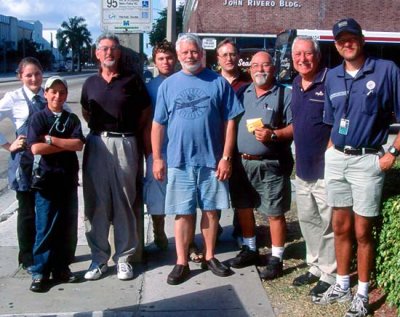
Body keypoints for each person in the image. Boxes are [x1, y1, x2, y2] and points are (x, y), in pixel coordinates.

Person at [316, 18, 400, 317]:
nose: (346, 44)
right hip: (338, 157)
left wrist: (392, 152)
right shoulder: (333, 77)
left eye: (351, 38)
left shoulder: (387, 70)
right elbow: (332, 120)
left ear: (362, 40)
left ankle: (362, 293)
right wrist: (330, 151)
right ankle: (341, 284)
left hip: (368, 160)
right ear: (336, 45)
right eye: (341, 40)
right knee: (339, 226)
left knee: (363, 231)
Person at [152, 33, 244, 285]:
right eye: (185, 52)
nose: (190, 56)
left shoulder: (218, 83)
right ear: (179, 56)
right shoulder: (168, 85)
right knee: (182, 214)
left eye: (194, 51)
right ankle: (181, 261)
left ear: (202, 53)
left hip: (211, 161)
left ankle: (210, 256)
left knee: (211, 211)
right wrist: (158, 157)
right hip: (179, 161)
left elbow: (230, 123)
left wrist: (226, 157)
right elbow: (158, 125)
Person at [81, 33, 151, 281]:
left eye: (113, 48)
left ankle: (123, 258)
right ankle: (99, 259)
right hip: (97, 143)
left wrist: (125, 133)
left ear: (119, 53)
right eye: (104, 49)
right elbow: (87, 112)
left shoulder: (133, 81)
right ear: (97, 53)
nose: (109, 53)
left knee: (124, 202)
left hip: (126, 144)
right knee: (96, 204)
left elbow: (145, 115)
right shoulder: (90, 82)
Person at [228, 51, 294, 280]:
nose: (260, 70)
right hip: (242, 163)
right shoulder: (242, 93)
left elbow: (294, 127)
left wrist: (274, 135)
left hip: (270, 165)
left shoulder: (284, 94)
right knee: (244, 208)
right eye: (255, 65)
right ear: (249, 69)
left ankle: (276, 258)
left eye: (265, 65)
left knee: (274, 212)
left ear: (273, 68)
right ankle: (250, 249)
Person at [27, 76, 85, 292]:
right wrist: (65, 144)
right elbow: (35, 148)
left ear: (66, 95)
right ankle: (40, 271)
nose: (57, 96)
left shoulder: (72, 120)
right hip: (46, 181)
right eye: (53, 91)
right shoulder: (39, 118)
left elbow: (78, 144)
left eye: (61, 92)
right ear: (46, 94)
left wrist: (50, 140)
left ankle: (62, 268)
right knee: (45, 227)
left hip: (67, 180)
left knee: (66, 227)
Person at [290, 36, 336, 297]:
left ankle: (330, 273)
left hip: (325, 170)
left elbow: (340, 119)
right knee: (308, 220)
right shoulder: (296, 83)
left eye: (307, 54)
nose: (303, 59)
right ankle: (315, 265)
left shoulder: (330, 81)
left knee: (328, 224)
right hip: (303, 168)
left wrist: (330, 153)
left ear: (317, 56)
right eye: (298, 55)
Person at [0, 57, 46, 271]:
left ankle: (46, 253)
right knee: (27, 212)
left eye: (37, 73)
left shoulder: (49, 94)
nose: (34, 78)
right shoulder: (13, 97)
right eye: (28, 75)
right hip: (25, 163)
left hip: (47, 161)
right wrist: (8, 145)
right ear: (20, 77)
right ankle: (27, 256)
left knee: (46, 210)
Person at [216, 38, 251, 244]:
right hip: (216, 144)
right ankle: (215, 229)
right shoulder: (211, 81)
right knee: (215, 189)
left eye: (232, 54)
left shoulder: (249, 82)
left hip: (241, 144)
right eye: (224, 55)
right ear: (218, 58)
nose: (229, 58)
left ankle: (241, 231)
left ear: (238, 57)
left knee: (240, 191)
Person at [145, 39, 177, 250]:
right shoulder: (149, 87)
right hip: (158, 149)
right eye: (161, 59)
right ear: (155, 61)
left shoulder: (184, 81)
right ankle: (159, 229)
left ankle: (188, 240)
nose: (165, 62)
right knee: (157, 193)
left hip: (182, 148)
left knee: (184, 194)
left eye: (169, 58)